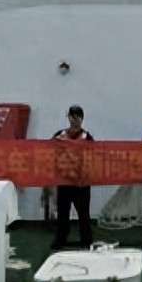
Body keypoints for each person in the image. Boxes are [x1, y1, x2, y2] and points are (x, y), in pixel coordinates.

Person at [50, 105, 95, 249]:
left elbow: (93, 157)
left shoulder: (87, 137)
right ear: (68, 117)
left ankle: (86, 240)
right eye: (72, 116)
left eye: (78, 117)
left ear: (82, 119)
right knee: (63, 213)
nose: (75, 120)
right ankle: (60, 239)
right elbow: (49, 153)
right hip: (64, 181)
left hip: (81, 183)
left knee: (84, 214)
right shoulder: (59, 136)